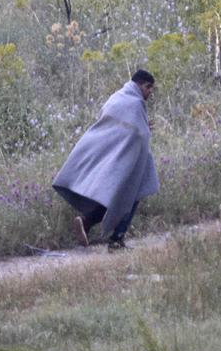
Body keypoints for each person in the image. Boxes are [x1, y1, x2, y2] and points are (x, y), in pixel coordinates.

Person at [53, 70, 159, 249]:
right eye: (149, 88)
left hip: (111, 154)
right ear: (140, 85)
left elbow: (116, 123)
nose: (150, 92)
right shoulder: (136, 102)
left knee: (113, 195)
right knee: (130, 194)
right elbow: (139, 133)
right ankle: (116, 239)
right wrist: (144, 129)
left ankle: (86, 223)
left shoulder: (117, 97)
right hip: (126, 158)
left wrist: (141, 127)